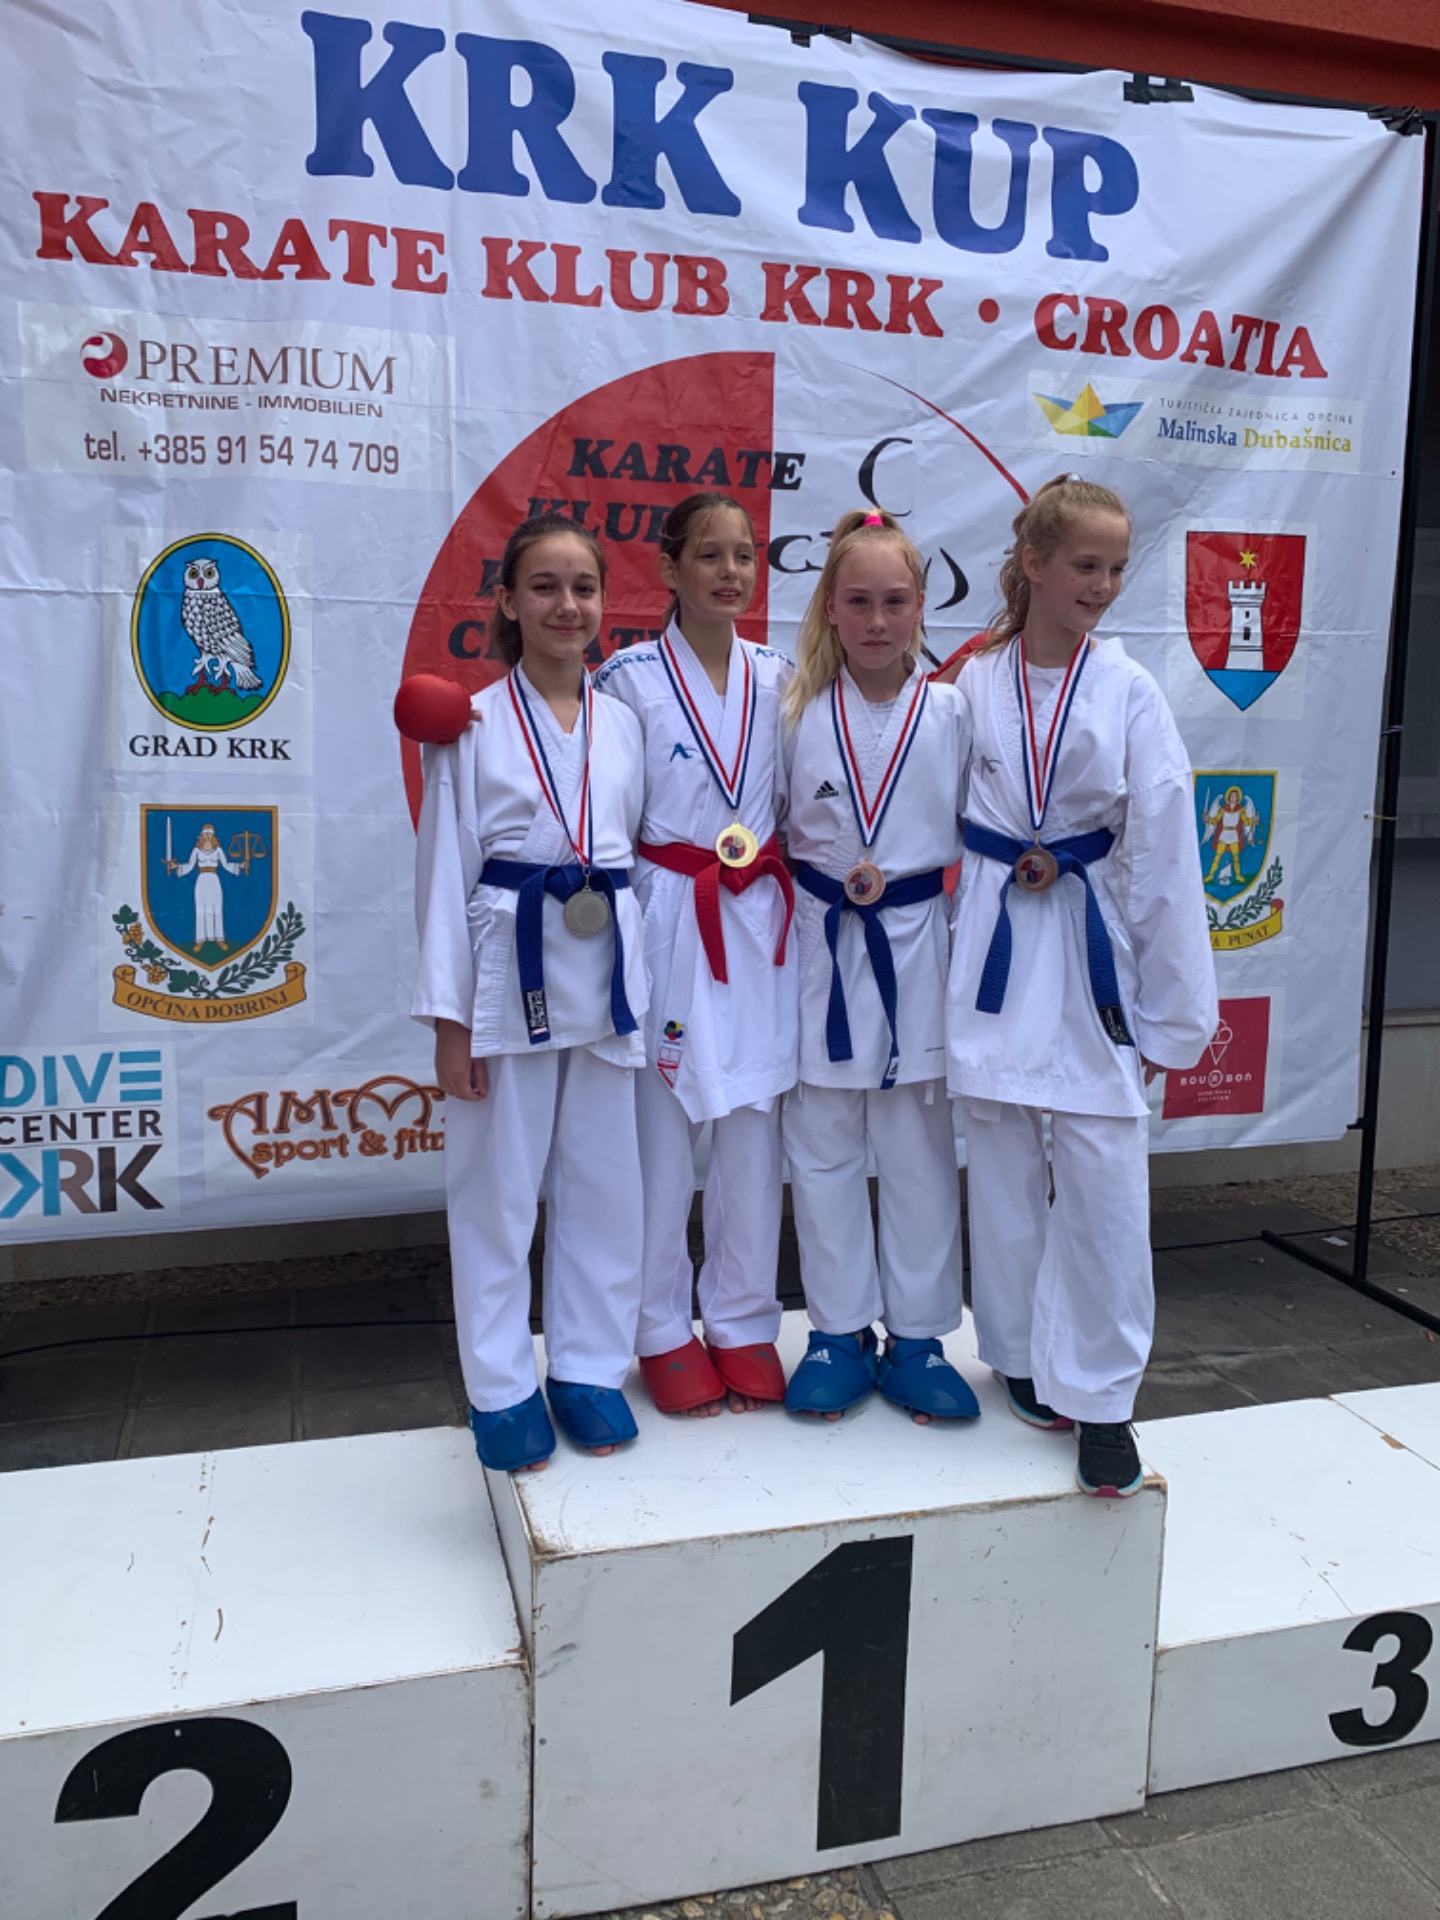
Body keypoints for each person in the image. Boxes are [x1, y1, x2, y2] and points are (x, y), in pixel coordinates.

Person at [947, 474, 1217, 1497]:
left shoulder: (1128, 689)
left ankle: (1104, 1394)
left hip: (1086, 940)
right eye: (1085, 565)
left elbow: (1164, 848)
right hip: (991, 944)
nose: (1102, 585)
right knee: (1002, 1162)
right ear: (1033, 565)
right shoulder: (974, 682)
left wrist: (1170, 1013)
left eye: (1115, 568)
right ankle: (1018, 1354)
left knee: (1104, 1175)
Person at [411, 514, 650, 1473]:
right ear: (506, 601)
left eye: (584, 587)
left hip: (604, 973)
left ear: (604, 604)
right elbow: (442, 877)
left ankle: (589, 1368)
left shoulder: (622, 723)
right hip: (506, 979)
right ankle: (502, 1387)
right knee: (497, 1194)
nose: (566, 605)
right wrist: (449, 1022)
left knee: (606, 1185)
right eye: (544, 586)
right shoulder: (468, 725)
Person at [593, 493, 798, 1417]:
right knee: (660, 1132)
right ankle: (659, 1325)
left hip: (756, 918)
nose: (730, 572)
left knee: (753, 1123)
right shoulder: (627, 680)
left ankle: (744, 1318)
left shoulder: (781, 675)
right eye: (709, 555)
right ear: (669, 570)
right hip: (668, 911)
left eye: (743, 555)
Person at [776, 509, 977, 1426]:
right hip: (822, 946)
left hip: (916, 947)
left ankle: (922, 1337)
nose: (877, 620)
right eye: (857, 601)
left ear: (921, 604)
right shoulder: (794, 711)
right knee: (821, 1146)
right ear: (830, 605)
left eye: (895, 601)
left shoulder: (953, 712)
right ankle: (837, 1332)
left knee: (918, 1153)